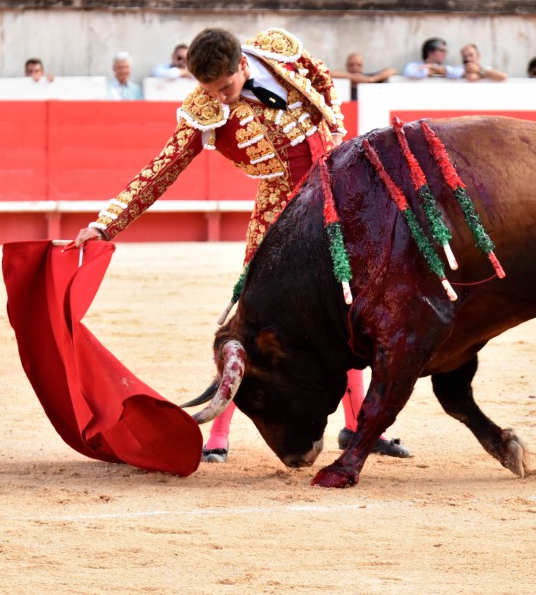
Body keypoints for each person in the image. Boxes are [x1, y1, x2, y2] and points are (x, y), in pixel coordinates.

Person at [67, 27, 410, 462]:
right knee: (251, 322)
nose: (222, 100)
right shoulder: (205, 109)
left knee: (344, 311)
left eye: (226, 87)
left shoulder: (279, 51)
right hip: (279, 218)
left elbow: (321, 82)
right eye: (211, 91)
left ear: (243, 64)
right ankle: (218, 435)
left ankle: (357, 425)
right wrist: (105, 225)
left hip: (333, 203)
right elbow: (162, 169)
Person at [331, 52, 396, 99]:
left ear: (362, 65)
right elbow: (332, 73)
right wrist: (354, 78)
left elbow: (391, 70)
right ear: (346, 65)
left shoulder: (369, 76)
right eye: (351, 64)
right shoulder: (342, 77)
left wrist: (371, 79)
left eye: (358, 65)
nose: (355, 67)